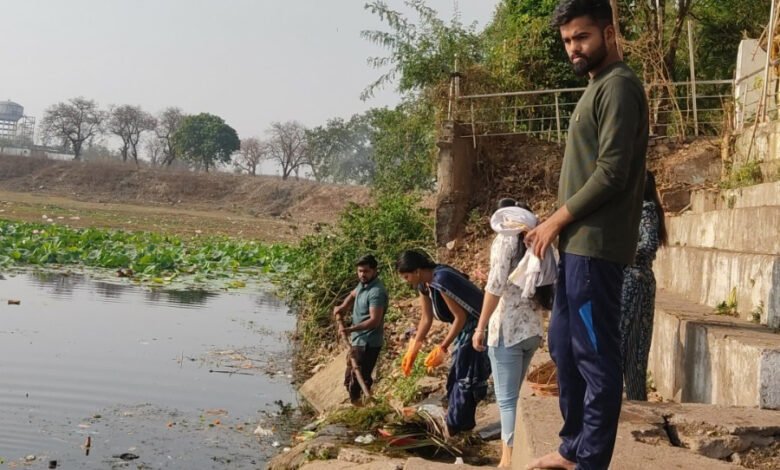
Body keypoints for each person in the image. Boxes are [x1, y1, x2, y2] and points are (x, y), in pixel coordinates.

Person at [524, 1, 649, 468]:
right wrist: (551, 224)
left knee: (596, 357)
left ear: (609, 32)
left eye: (581, 37)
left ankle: (591, 459)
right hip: (575, 247)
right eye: (567, 41)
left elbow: (613, 172)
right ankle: (571, 445)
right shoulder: (596, 87)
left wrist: (557, 219)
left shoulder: (618, 87)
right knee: (564, 348)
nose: (573, 48)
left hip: (596, 248)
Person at [472, 198, 556, 468]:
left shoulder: (505, 241)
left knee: (506, 400)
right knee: (514, 396)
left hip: (507, 330)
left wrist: (480, 327)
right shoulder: (538, 241)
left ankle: (507, 461)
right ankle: (509, 454)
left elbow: (494, 287)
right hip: (532, 329)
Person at [396, 249, 491, 434]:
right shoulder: (425, 284)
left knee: (465, 379)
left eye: (406, 276)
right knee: (455, 378)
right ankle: (458, 424)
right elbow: (426, 319)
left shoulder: (441, 279)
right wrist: (413, 349)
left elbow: (460, 317)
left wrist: (443, 347)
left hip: (477, 326)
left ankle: (458, 428)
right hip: (464, 329)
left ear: (417, 271)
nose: (405, 281)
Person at [619, 171, 667, 401]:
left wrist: (620, 254)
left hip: (636, 282)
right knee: (627, 342)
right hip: (632, 280)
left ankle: (635, 397)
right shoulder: (638, 211)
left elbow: (648, 245)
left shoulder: (646, 210)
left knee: (632, 343)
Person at [332, 254, 388, 405]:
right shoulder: (363, 285)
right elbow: (352, 295)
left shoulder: (376, 292)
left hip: (368, 343)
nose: (362, 274)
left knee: (358, 381)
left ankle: (361, 407)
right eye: (360, 271)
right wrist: (342, 307)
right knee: (350, 379)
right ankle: (358, 404)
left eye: (366, 271)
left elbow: (374, 321)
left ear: (375, 271)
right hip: (358, 340)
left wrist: (350, 329)